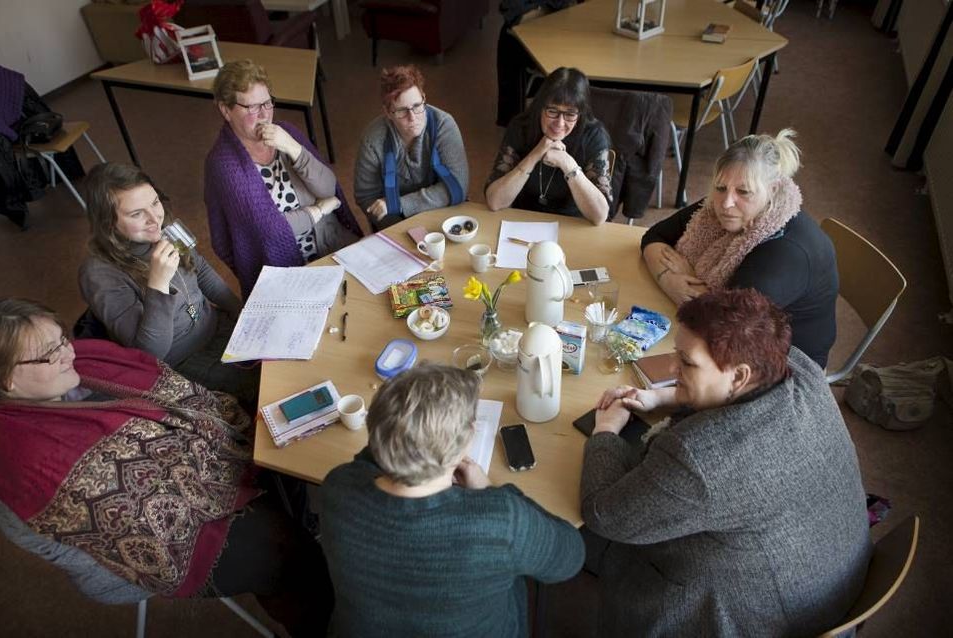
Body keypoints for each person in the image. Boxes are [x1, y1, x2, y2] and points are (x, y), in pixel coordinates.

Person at [0, 298, 332, 637]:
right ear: (7, 380)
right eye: (51, 351)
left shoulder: (79, 363)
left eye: (62, 338)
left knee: (283, 449)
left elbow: (173, 398)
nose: (70, 352)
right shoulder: (31, 460)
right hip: (172, 542)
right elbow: (146, 519)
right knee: (286, 555)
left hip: (203, 468)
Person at [580, 289, 870, 636]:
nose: (673, 368)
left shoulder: (697, 458)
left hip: (775, 617)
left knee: (587, 534)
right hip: (832, 572)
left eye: (686, 362)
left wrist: (607, 432)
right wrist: (665, 396)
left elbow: (605, 516)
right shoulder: (798, 366)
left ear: (739, 376)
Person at [320, 363, 584, 637]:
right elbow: (570, 556)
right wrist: (488, 490)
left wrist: (399, 428)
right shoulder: (499, 521)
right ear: (468, 438)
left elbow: (365, 461)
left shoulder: (337, 487)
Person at [640, 128, 838, 367]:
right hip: (734, 331)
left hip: (787, 363)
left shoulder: (785, 253)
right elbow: (653, 236)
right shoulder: (721, 208)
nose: (726, 203)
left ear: (773, 190)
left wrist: (689, 282)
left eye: (743, 192)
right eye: (721, 188)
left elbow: (723, 325)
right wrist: (671, 281)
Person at [78, 163, 258, 407]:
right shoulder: (99, 274)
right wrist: (158, 285)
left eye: (154, 202)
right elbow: (151, 354)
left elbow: (202, 272)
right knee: (262, 386)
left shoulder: (165, 229)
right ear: (108, 223)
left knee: (280, 360)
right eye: (136, 214)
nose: (154, 219)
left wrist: (243, 315)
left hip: (217, 327)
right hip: (183, 360)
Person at [204, 59, 362, 299]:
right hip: (285, 268)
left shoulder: (285, 131)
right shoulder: (224, 166)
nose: (264, 114)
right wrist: (319, 210)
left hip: (329, 244)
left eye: (267, 103)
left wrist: (292, 147)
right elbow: (271, 231)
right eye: (252, 107)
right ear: (226, 110)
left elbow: (329, 187)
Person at [485, 66, 612, 224]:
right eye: (552, 111)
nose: (559, 123)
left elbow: (599, 216)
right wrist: (535, 154)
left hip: (572, 223)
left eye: (570, 114)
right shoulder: (521, 127)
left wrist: (568, 164)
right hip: (524, 218)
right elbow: (494, 201)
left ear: (580, 114)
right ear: (541, 107)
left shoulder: (594, 135)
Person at [354, 65, 469, 230]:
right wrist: (403, 230)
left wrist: (398, 204)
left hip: (444, 217)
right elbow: (366, 196)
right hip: (394, 223)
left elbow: (458, 186)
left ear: (424, 98)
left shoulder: (444, 125)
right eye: (401, 110)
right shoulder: (372, 140)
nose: (413, 117)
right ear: (387, 112)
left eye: (417, 105)